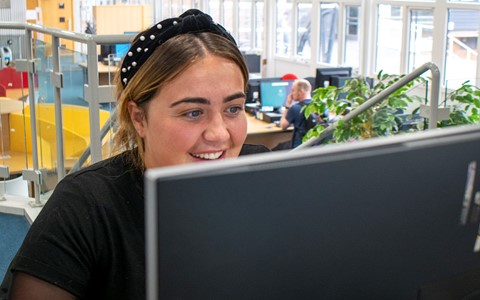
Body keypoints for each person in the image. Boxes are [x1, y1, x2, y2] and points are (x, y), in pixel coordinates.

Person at [0, 9, 270, 300]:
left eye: (233, 109)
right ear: (139, 118)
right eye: (193, 112)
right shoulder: (85, 205)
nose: (219, 134)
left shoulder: (264, 176)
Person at [279, 78, 323, 148]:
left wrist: (287, 106)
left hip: (300, 148)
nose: (291, 94)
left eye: (293, 90)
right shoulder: (320, 106)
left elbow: (283, 126)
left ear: (301, 92)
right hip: (316, 147)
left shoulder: (295, 108)